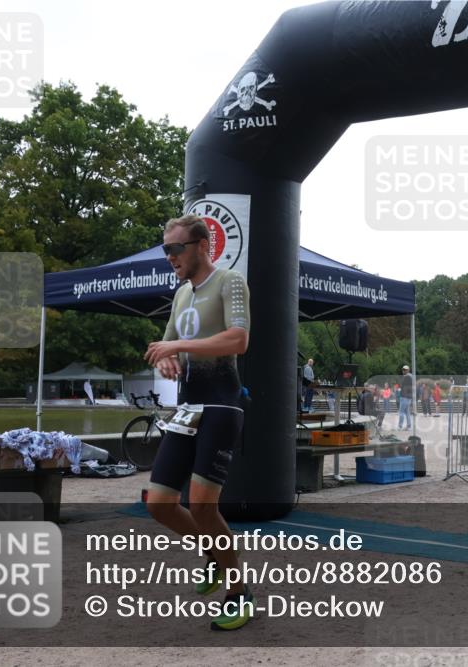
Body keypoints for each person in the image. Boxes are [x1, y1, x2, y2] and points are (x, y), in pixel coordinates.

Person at [142, 213, 254, 631]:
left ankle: (238, 591)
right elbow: (166, 346)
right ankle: (214, 552)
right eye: (166, 249)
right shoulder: (181, 294)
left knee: (203, 506)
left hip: (222, 406)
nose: (170, 256)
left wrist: (177, 346)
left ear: (202, 246)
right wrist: (167, 358)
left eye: (176, 248)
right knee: (159, 504)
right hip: (188, 409)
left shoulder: (229, 281)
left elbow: (239, 339)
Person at [398, 365, 414, 430]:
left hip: (404, 397)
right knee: (407, 413)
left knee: (401, 412)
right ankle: (409, 426)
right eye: (403, 369)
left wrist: (400, 389)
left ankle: (400, 426)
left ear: (408, 370)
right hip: (408, 397)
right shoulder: (411, 377)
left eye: (404, 370)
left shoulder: (407, 377)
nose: (403, 371)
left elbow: (403, 386)